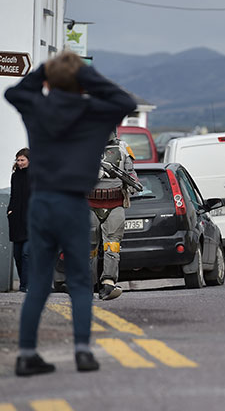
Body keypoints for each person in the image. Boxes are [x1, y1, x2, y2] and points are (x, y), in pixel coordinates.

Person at [4, 51, 136, 376]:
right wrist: (83, 75)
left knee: (38, 283)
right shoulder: (93, 112)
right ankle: (82, 351)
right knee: (79, 281)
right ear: (81, 83)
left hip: (41, 202)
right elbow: (123, 100)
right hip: (75, 202)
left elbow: (13, 92)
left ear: (49, 81)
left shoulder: (38, 108)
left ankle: (26, 355)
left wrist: (45, 71)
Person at [89, 132, 139, 300]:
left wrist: (132, 184)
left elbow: (131, 174)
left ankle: (108, 282)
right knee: (89, 247)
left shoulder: (122, 148)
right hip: (89, 203)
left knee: (112, 245)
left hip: (115, 203)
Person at [7, 148, 31, 292]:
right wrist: (10, 210)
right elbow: (13, 196)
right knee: (17, 255)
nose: (20, 162)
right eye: (18, 160)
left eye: (22, 160)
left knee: (26, 253)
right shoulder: (15, 176)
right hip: (16, 220)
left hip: (31, 220)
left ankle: (25, 286)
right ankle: (24, 282)